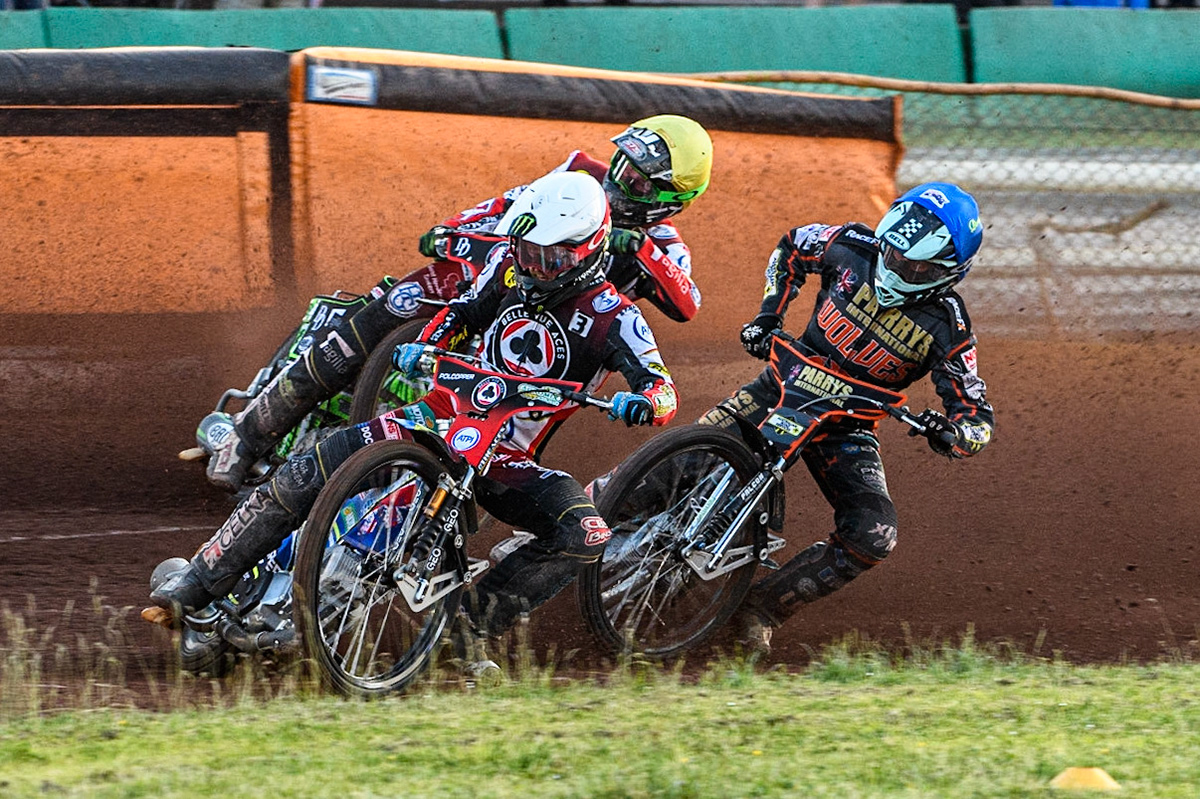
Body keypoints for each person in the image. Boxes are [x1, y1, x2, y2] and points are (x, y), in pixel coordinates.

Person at [148, 172, 680, 667]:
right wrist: (424, 345)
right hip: (432, 417)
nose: (534, 268)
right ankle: (198, 584)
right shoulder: (508, 270)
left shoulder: (617, 318)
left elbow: (662, 390)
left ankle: (468, 627)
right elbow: (460, 313)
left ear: (588, 252)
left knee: (585, 533)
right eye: (527, 252)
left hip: (504, 459)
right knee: (313, 465)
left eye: (550, 259)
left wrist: (642, 404)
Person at [204, 114, 712, 494]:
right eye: (622, 163)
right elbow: (513, 202)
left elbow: (686, 303)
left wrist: (638, 245)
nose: (620, 179)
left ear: (671, 199)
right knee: (390, 304)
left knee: (489, 458)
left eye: (640, 181)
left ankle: (388, 520)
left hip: (548, 357)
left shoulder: (666, 247)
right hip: (495, 284)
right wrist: (455, 228)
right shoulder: (580, 175)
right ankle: (250, 434)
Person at [702, 182, 995, 654]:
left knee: (875, 533)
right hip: (781, 387)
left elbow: (977, 416)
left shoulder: (950, 325)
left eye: (915, 266)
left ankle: (760, 608)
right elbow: (792, 247)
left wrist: (953, 434)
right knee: (679, 462)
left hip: (846, 427)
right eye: (894, 253)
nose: (898, 266)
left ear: (947, 272)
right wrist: (767, 316)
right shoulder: (851, 244)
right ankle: (580, 526)